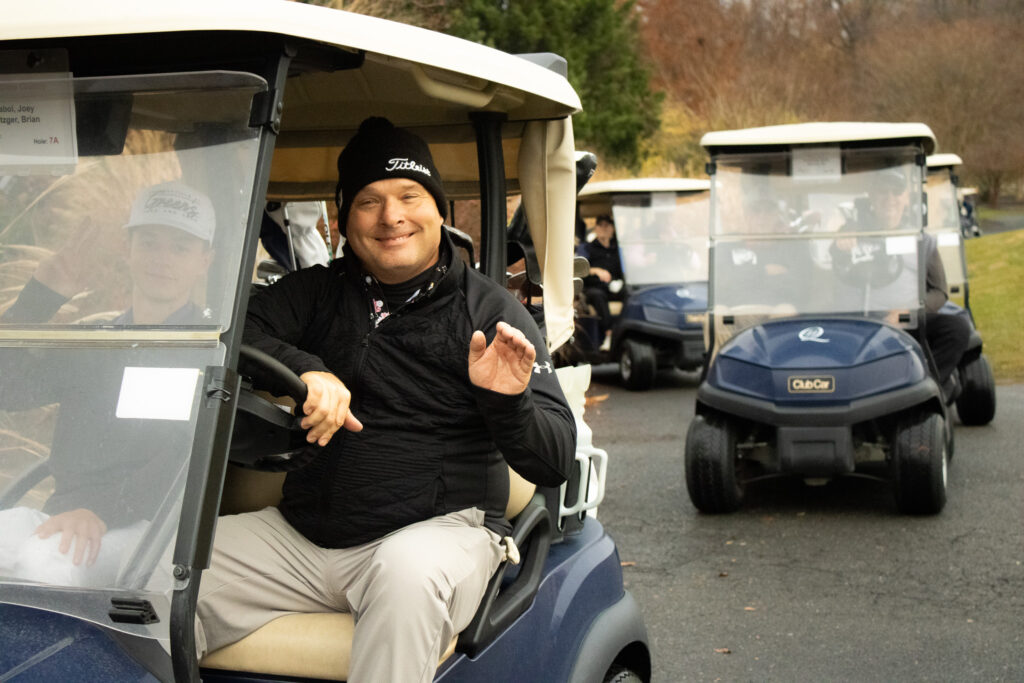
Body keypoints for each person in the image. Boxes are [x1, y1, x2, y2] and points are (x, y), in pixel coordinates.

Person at [195, 116, 576, 682]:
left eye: (408, 196)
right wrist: (308, 371)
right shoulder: (322, 290)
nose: (391, 216)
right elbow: (234, 329)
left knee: (406, 575)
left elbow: (554, 458)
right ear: (345, 219)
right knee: (161, 569)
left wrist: (507, 402)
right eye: (368, 201)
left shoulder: (489, 311)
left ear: (439, 209)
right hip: (304, 537)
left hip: (441, 533)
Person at [0, 181, 216, 586]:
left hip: (148, 531)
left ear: (205, 259)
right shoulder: (96, 340)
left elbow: (183, 461)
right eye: (149, 242)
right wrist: (41, 296)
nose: (162, 259)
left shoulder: (208, 350)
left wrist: (100, 511)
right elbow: (8, 390)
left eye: (180, 247)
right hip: (65, 515)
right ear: (127, 248)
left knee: (42, 563)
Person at [835, 170, 970, 396]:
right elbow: (831, 269)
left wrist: (909, 311)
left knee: (957, 328)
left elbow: (939, 291)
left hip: (906, 320)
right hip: (860, 319)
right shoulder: (853, 232)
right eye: (882, 192)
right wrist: (838, 246)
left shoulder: (923, 240)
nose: (890, 199)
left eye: (896, 192)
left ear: (906, 198)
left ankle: (924, 389)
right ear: (872, 197)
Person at [575, 214, 624, 349]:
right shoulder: (587, 248)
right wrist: (595, 270)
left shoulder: (617, 249)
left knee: (631, 293)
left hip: (614, 286)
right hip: (593, 287)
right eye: (600, 225)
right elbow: (579, 269)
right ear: (596, 228)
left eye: (607, 225)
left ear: (612, 229)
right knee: (598, 296)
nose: (603, 229)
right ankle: (609, 334)